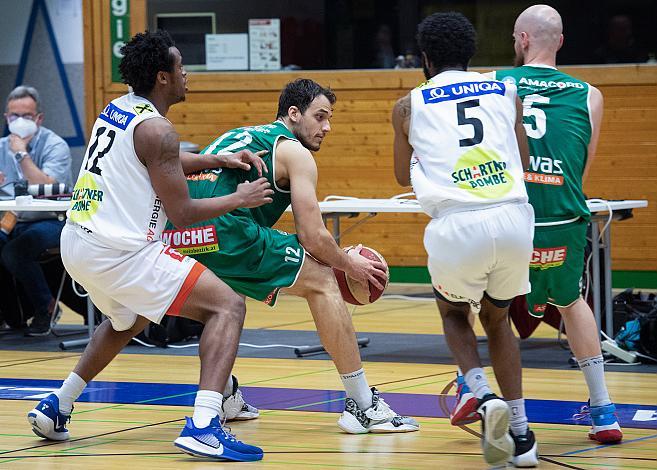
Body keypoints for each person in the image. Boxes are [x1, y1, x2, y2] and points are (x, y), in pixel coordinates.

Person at [26, 30, 274, 462]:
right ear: (163, 77)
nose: (186, 75)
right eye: (180, 67)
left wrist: (217, 159)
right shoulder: (159, 129)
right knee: (228, 306)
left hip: (78, 242)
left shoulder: (118, 109)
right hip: (120, 252)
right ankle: (203, 424)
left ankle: (57, 405)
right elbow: (182, 213)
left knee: (128, 319)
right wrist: (240, 198)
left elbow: (159, 164)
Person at [164, 78, 420, 434]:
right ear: (294, 114)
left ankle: (221, 394)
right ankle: (363, 405)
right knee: (322, 279)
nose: (327, 127)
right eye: (320, 117)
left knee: (220, 302)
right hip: (227, 229)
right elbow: (312, 236)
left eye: (330, 119)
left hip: (183, 231)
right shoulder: (293, 150)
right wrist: (350, 265)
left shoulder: (243, 134)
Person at [392, 12, 538, 467]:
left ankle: (480, 393)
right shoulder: (505, 89)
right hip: (514, 218)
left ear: (426, 58)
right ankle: (522, 435)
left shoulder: (407, 106)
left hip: (459, 224)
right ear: (469, 53)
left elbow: (401, 174)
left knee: (454, 313)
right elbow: (525, 156)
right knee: (499, 320)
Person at [493, 4, 623, 444]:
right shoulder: (591, 94)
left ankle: (493, 405)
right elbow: (580, 171)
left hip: (512, 215)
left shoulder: (495, 83)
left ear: (523, 40)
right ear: (561, 42)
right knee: (572, 302)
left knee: (480, 307)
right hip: (564, 217)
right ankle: (604, 410)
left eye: (515, 38)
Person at [0, 85, 72, 336]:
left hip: (53, 219)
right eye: (13, 116)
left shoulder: (55, 145)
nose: (19, 121)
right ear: (6, 117)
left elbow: (49, 187)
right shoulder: (0, 147)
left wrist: (21, 154)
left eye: (26, 116)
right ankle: (9, 314)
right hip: (11, 219)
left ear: (38, 118)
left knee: (16, 249)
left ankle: (47, 307)